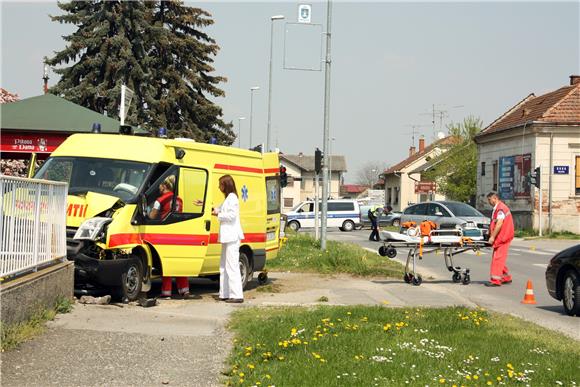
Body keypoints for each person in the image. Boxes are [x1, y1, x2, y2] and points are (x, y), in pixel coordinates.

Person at [150, 175, 191, 299]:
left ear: (164, 186)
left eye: (160, 185)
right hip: (179, 233)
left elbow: (152, 216)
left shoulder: (160, 200)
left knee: (166, 264)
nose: (159, 187)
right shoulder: (179, 199)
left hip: (165, 233)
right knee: (179, 264)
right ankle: (184, 290)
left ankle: (166, 292)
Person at [213, 175, 245, 303]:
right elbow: (218, 209)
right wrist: (209, 209)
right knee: (224, 266)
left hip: (232, 236)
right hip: (227, 237)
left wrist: (218, 214)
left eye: (220, 184)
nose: (219, 187)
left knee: (232, 266)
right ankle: (225, 293)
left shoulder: (232, 198)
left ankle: (237, 295)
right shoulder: (227, 199)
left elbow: (231, 216)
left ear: (226, 185)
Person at [485, 191, 514, 287]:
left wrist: (492, 236)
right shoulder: (499, 208)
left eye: (489, 200)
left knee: (497, 259)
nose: (489, 202)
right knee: (500, 258)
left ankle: (496, 280)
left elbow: (499, 223)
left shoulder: (500, 209)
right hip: (502, 237)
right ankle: (505, 277)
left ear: (495, 198)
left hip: (503, 237)